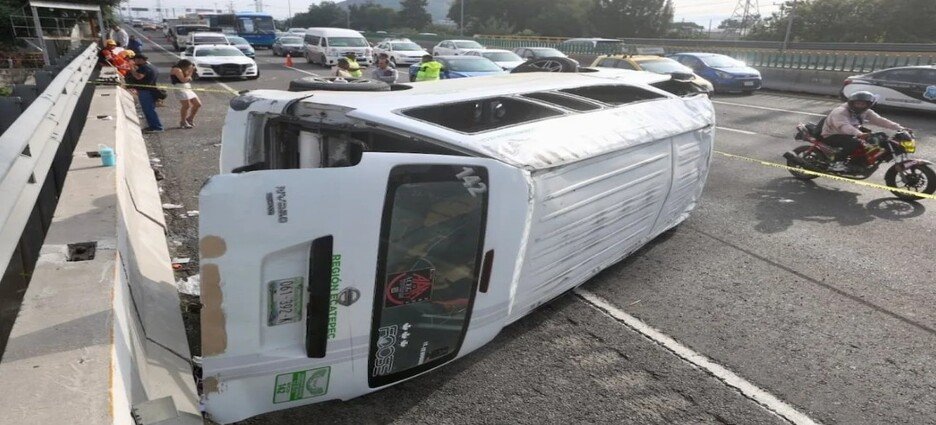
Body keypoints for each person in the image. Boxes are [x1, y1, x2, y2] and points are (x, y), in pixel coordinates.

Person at [821, 91, 906, 171]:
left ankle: (857, 162)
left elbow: (879, 120)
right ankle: (837, 163)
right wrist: (859, 134)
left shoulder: (866, 111)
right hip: (832, 133)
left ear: (868, 105)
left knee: (880, 137)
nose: (860, 106)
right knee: (854, 142)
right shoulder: (841, 111)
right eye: (857, 103)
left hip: (851, 132)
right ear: (852, 103)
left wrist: (899, 128)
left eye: (863, 104)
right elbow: (844, 126)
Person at [129, 54, 163, 133]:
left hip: (145, 91)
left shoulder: (144, 67)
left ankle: (157, 127)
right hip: (150, 90)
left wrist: (132, 69)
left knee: (148, 110)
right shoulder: (151, 66)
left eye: (135, 60)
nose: (134, 61)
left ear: (141, 60)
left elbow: (138, 76)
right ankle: (152, 126)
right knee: (149, 109)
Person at [170, 59, 201, 129]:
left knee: (198, 104)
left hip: (187, 87)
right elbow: (183, 80)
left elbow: (189, 79)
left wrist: (191, 72)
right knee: (186, 105)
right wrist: (190, 73)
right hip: (179, 88)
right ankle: (183, 121)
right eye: (188, 67)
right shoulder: (177, 69)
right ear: (184, 66)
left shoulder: (184, 70)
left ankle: (190, 118)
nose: (189, 68)